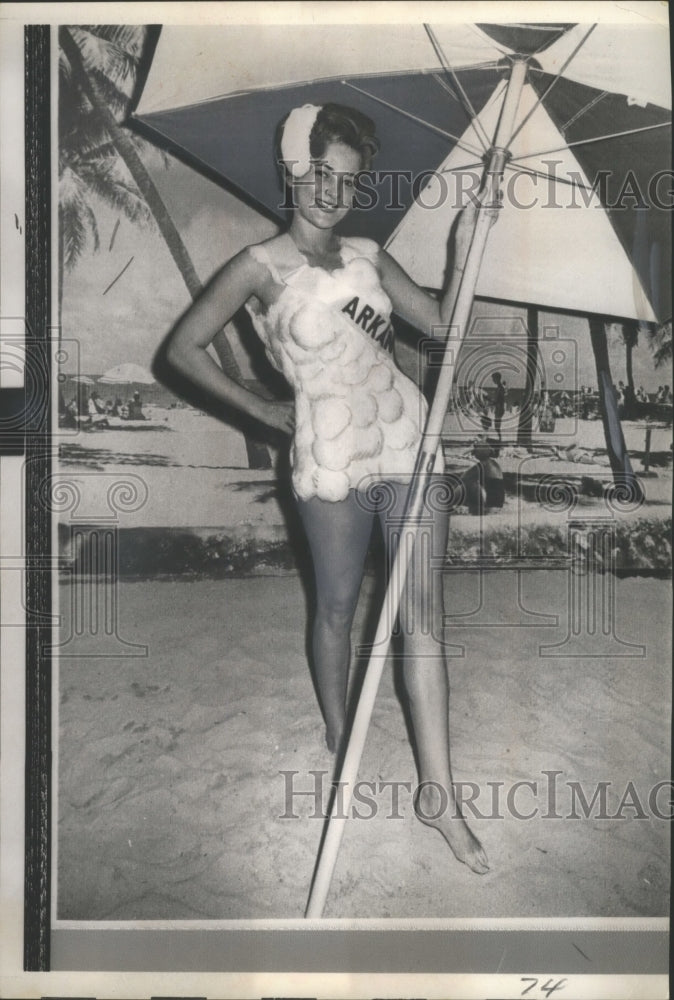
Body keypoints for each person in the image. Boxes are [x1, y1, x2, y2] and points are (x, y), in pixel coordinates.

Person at [167, 103, 495, 875]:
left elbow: (443, 325)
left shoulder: (369, 255)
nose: (331, 190)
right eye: (319, 172)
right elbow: (181, 348)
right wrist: (268, 413)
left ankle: (438, 796)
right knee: (339, 609)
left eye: (346, 179)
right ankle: (340, 734)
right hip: (328, 457)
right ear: (291, 168)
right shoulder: (258, 266)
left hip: (405, 440)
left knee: (422, 617)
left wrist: (464, 238)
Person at [491, 371, 506, 441]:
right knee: (496, 425)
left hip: (499, 408)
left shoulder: (500, 388)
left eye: (493, 378)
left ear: (497, 378)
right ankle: (499, 439)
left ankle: (499, 439)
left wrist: (493, 403)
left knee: (497, 426)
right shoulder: (499, 387)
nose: (493, 380)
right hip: (498, 407)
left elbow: (500, 399)